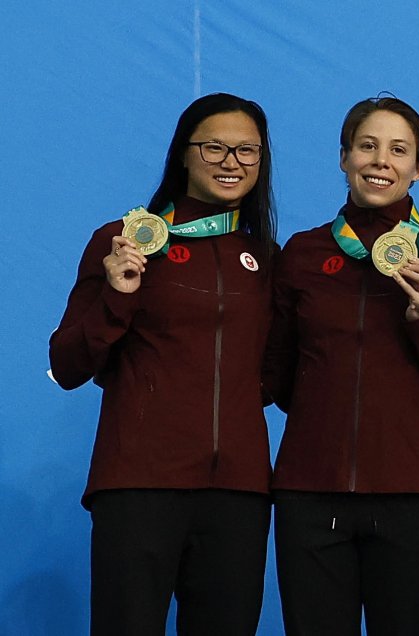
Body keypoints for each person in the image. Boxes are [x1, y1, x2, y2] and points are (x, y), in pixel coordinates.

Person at [49, 93, 277, 635]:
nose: (231, 162)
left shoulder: (267, 258)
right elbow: (68, 364)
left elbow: (276, 372)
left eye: (247, 150)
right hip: (140, 485)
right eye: (215, 147)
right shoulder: (123, 241)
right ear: (182, 154)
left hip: (238, 494)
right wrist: (117, 296)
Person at [264, 96, 419, 635]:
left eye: (398, 150)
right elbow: (278, 375)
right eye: (367, 146)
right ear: (344, 157)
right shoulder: (302, 254)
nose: (381, 161)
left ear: (418, 168)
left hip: (409, 493)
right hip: (309, 493)